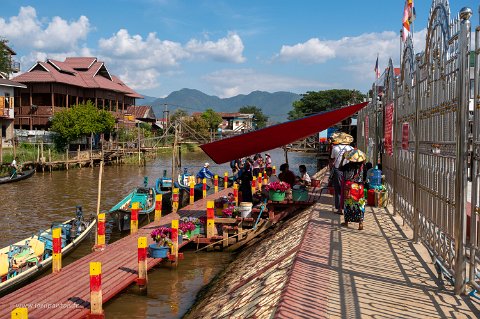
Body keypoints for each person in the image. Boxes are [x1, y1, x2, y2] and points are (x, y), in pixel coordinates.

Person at [340, 149, 366, 230]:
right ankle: (360, 223)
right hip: (360, 187)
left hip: (350, 186)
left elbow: (340, 168)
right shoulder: (362, 166)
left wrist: (343, 159)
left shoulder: (348, 166)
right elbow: (364, 178)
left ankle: (347, 222)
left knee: (348, 204)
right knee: (360, 204)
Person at [330, 134, 354, 215]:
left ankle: (339, 208)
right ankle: (347, 207)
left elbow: (332, 159)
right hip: (349, 171)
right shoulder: (352, 149)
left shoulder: (335, 148)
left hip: (338, 170)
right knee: (347, 189)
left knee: (338, 190)